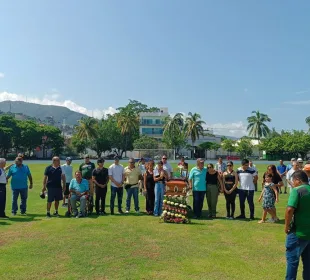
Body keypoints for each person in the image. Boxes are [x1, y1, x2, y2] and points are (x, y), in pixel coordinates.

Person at [285, 170, 310, 280]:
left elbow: (290, 210)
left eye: (293, 181)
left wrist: (286, 226)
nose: (292, 184)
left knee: (292, 262)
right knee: (308, 264)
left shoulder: (297, 191)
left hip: (298, 232)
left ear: (298, 180)